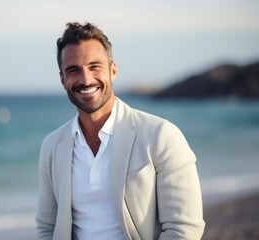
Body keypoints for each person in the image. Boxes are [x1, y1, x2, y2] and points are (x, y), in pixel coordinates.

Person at [36, 22, 205, 240]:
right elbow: (47, 228)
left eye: (94, 66)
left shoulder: (162, 136)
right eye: (73, 70)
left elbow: (184, 229)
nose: (86, 79)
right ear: (63, 80)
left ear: (112, 70)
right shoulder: (52, 146)